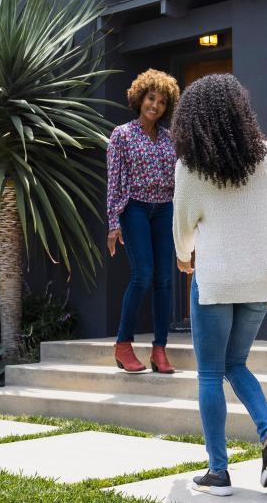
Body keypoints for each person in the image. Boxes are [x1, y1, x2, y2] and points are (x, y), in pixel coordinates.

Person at [171, 73, 267, 496]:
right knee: (235, 364)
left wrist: (185, 260)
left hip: (215, 281)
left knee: (209, 373)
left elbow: (182, 230)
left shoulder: (190, 167)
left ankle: (218, 472)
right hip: (260, 279)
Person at [106, 69, 181, 374]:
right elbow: (114, 180)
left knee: (164, 279)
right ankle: (123, 345)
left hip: (164, 209)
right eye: (151, 98)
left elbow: (178, 178)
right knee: (143, 275)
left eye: (162, 102)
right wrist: (114, 222)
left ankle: (159, 350)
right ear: (140, 98)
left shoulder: (169, 138)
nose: (156, 105)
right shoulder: (122, 134)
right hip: (134, 208)